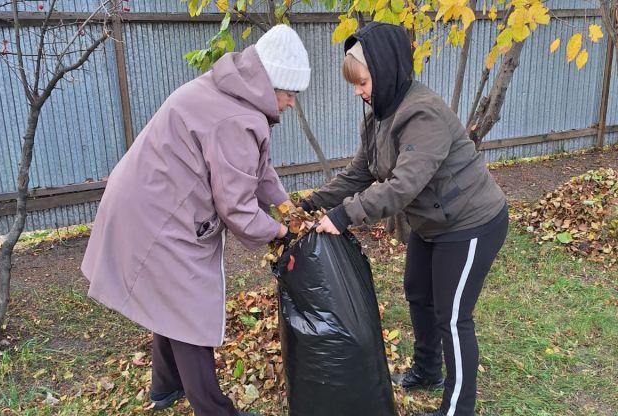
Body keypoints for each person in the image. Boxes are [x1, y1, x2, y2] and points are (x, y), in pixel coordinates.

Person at [81, 24, 310, 416]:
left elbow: (260, 169)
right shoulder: (236, 118)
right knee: (190, 310)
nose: (291, 104)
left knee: (170, 301)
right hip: (157, 213)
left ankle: (164, 388)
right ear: (271, 84)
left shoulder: (236, 96)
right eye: (290, 94)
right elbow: (237, 207)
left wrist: (286, 208)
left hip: (149, 199)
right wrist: (282, 232)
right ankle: (214, 408)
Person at [300, 22, 508, 416]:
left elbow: (402, 185)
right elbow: (358, 174)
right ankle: (428, 371)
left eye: (362, 82)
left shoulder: (422, 113)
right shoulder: (378, 116)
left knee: (452, 316)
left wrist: (345, 215)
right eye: (355, 85)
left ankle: (457, 409)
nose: (359, 92)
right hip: (432, 225)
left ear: (386, 68)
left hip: (471, 224)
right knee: (417, 291)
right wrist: (313, 203)